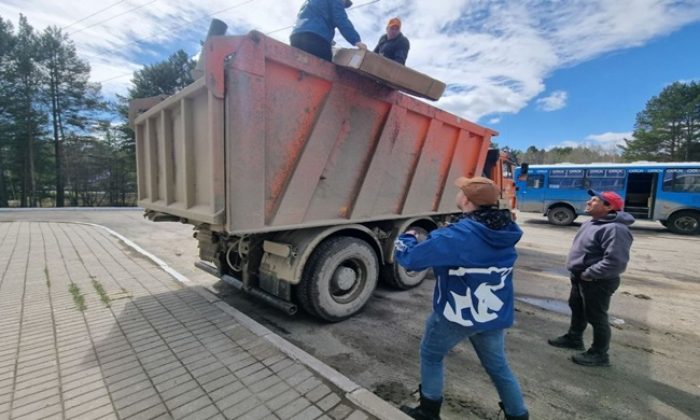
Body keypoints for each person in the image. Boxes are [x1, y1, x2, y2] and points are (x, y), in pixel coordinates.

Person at [395, 177, 528, 420]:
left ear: (467, 200)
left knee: (431, 355)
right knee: (498, 367)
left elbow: (411, 260)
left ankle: (428, 411)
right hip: (492, 314)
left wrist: (409, 237)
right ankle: (517, 414)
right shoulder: (506, 229)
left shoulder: (457, 236)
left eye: (460, 191)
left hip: (458, 314)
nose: (457, 193)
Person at [548, 190, 634, 367]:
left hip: (597, 280)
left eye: (594, 200)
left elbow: (615, 262)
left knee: (596, 317)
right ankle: (574, 338)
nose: (588, 202)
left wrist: (590, 274)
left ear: (608, 206)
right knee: (577, 308)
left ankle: (599, 354)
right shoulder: (591, 223)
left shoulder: (615, 229)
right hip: (580, 277)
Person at [290, 0, 367, 61]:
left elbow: (313, 18)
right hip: (316, 38)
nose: (343, 5)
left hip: (296, 36)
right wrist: (356, 40)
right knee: (326, 68)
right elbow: (341, 19)